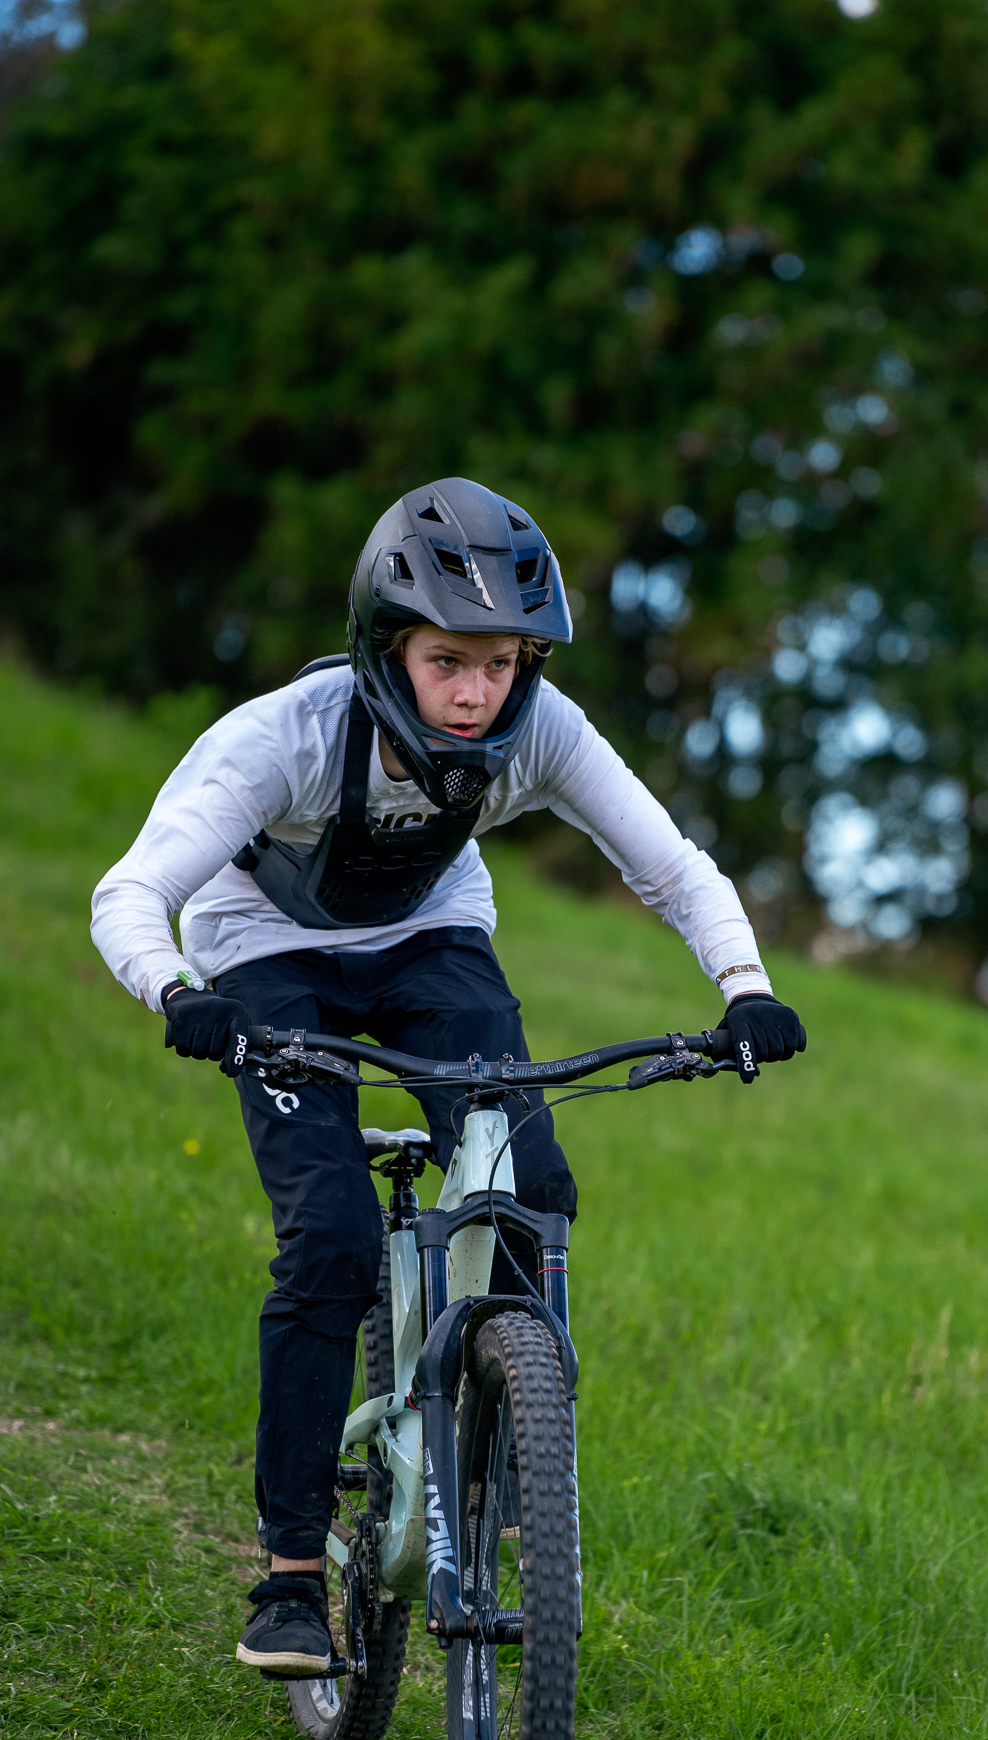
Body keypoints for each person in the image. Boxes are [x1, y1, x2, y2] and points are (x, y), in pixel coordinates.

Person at [91, 477, 806, 1677]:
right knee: (329, 1239)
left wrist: (746, 988)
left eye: (503, 662)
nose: (478, 692)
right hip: (259, 948)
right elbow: (132, 891)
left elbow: (673, 866)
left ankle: (508, 1461)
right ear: (387, 650)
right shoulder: (287, 737)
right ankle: (289, 1575)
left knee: (535, 1182)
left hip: (428, 937)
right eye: (448, 661)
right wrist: (177, 991)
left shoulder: (541, 728)